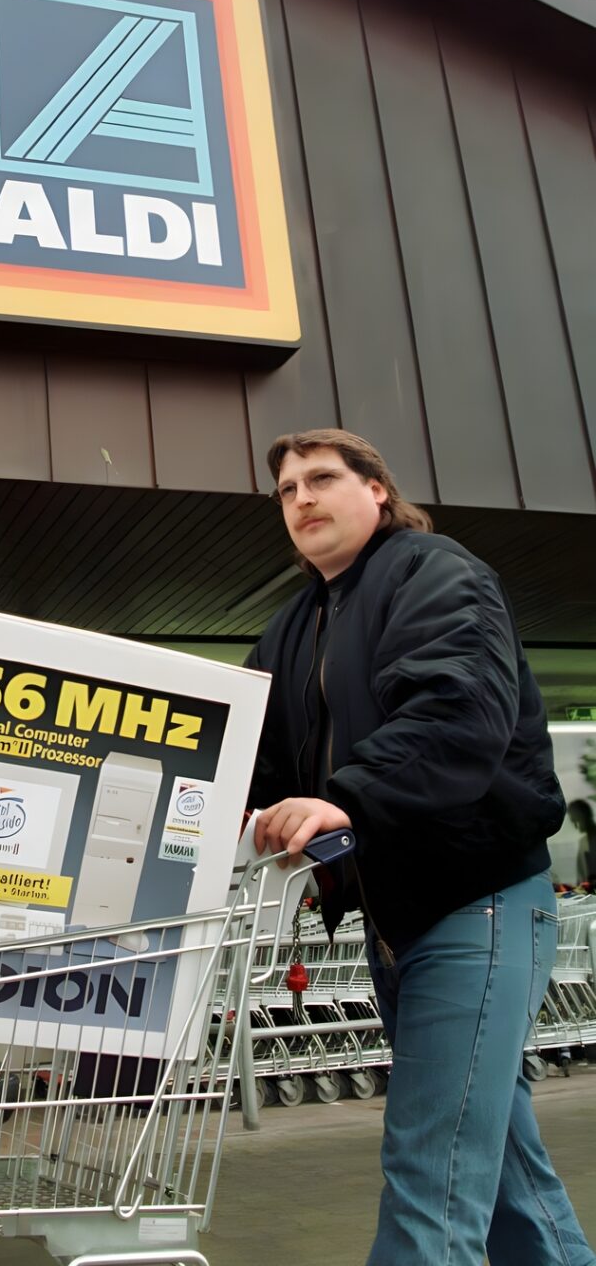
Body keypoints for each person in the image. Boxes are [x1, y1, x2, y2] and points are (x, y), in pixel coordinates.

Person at [245, 428, 594, 1266]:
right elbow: (240, 745)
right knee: (504, 1174)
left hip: (477, 902)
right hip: (393, 920)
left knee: (429, 1174)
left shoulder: (437, 575)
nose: (301, 500)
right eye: (286, 491)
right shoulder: (295, 629)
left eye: (321, 478)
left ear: (376, 489)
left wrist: (340, 800)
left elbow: (455, 716)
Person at [567, 799, 596, 886]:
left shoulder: (587, 842)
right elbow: (582, 877)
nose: (575, 826)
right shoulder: (583, 842)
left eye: (576, 821)